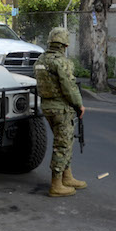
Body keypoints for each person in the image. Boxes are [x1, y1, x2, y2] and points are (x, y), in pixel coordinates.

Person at [34, 27, 86, 197]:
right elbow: (69, 88)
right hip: (61, 109)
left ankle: (67, 176)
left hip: (47, 107)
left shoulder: (40, 60)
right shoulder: (61, 62)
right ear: (65, 44)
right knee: (62, 145)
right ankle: (56, 184)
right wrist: (79, 104)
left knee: (65, 141)